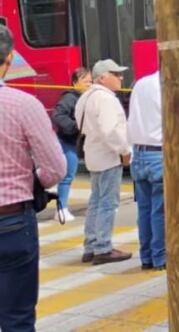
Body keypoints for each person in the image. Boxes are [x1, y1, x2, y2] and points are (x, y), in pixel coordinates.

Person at [0, 24, 66, 330]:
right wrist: (34, 178)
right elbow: (56, 167)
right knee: (17, 319)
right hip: (12, 222)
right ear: (10, 58)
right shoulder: (24, 105)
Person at [76, 59, 133, 265]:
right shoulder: (106, 99)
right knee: (108, 203)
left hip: (93, 154)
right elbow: (111, 130)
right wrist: (124, 151)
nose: (120, 77)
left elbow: (81, 125)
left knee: (95, 201)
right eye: (115, 74)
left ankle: (90, 245)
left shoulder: (85, 97)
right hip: (108, 156)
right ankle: (103, 247)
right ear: (102, 77)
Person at [127, 71, 166, 271]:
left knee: (144, 209)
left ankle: (147, 257)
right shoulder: (167, 85)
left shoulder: (141, 83)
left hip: (138, 152)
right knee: (160, 210)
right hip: (158, 153)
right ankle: (160, 257)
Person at [51, 66, 91, 222]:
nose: (88, 84)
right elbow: (57, 115)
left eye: (90, 81)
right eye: (85, 81)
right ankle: (61, 209)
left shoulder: (86, 97)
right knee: (67, 176)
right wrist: (75, 127)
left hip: (78, 143)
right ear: (75, 82)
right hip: (69, 142)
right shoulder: (69, 98)